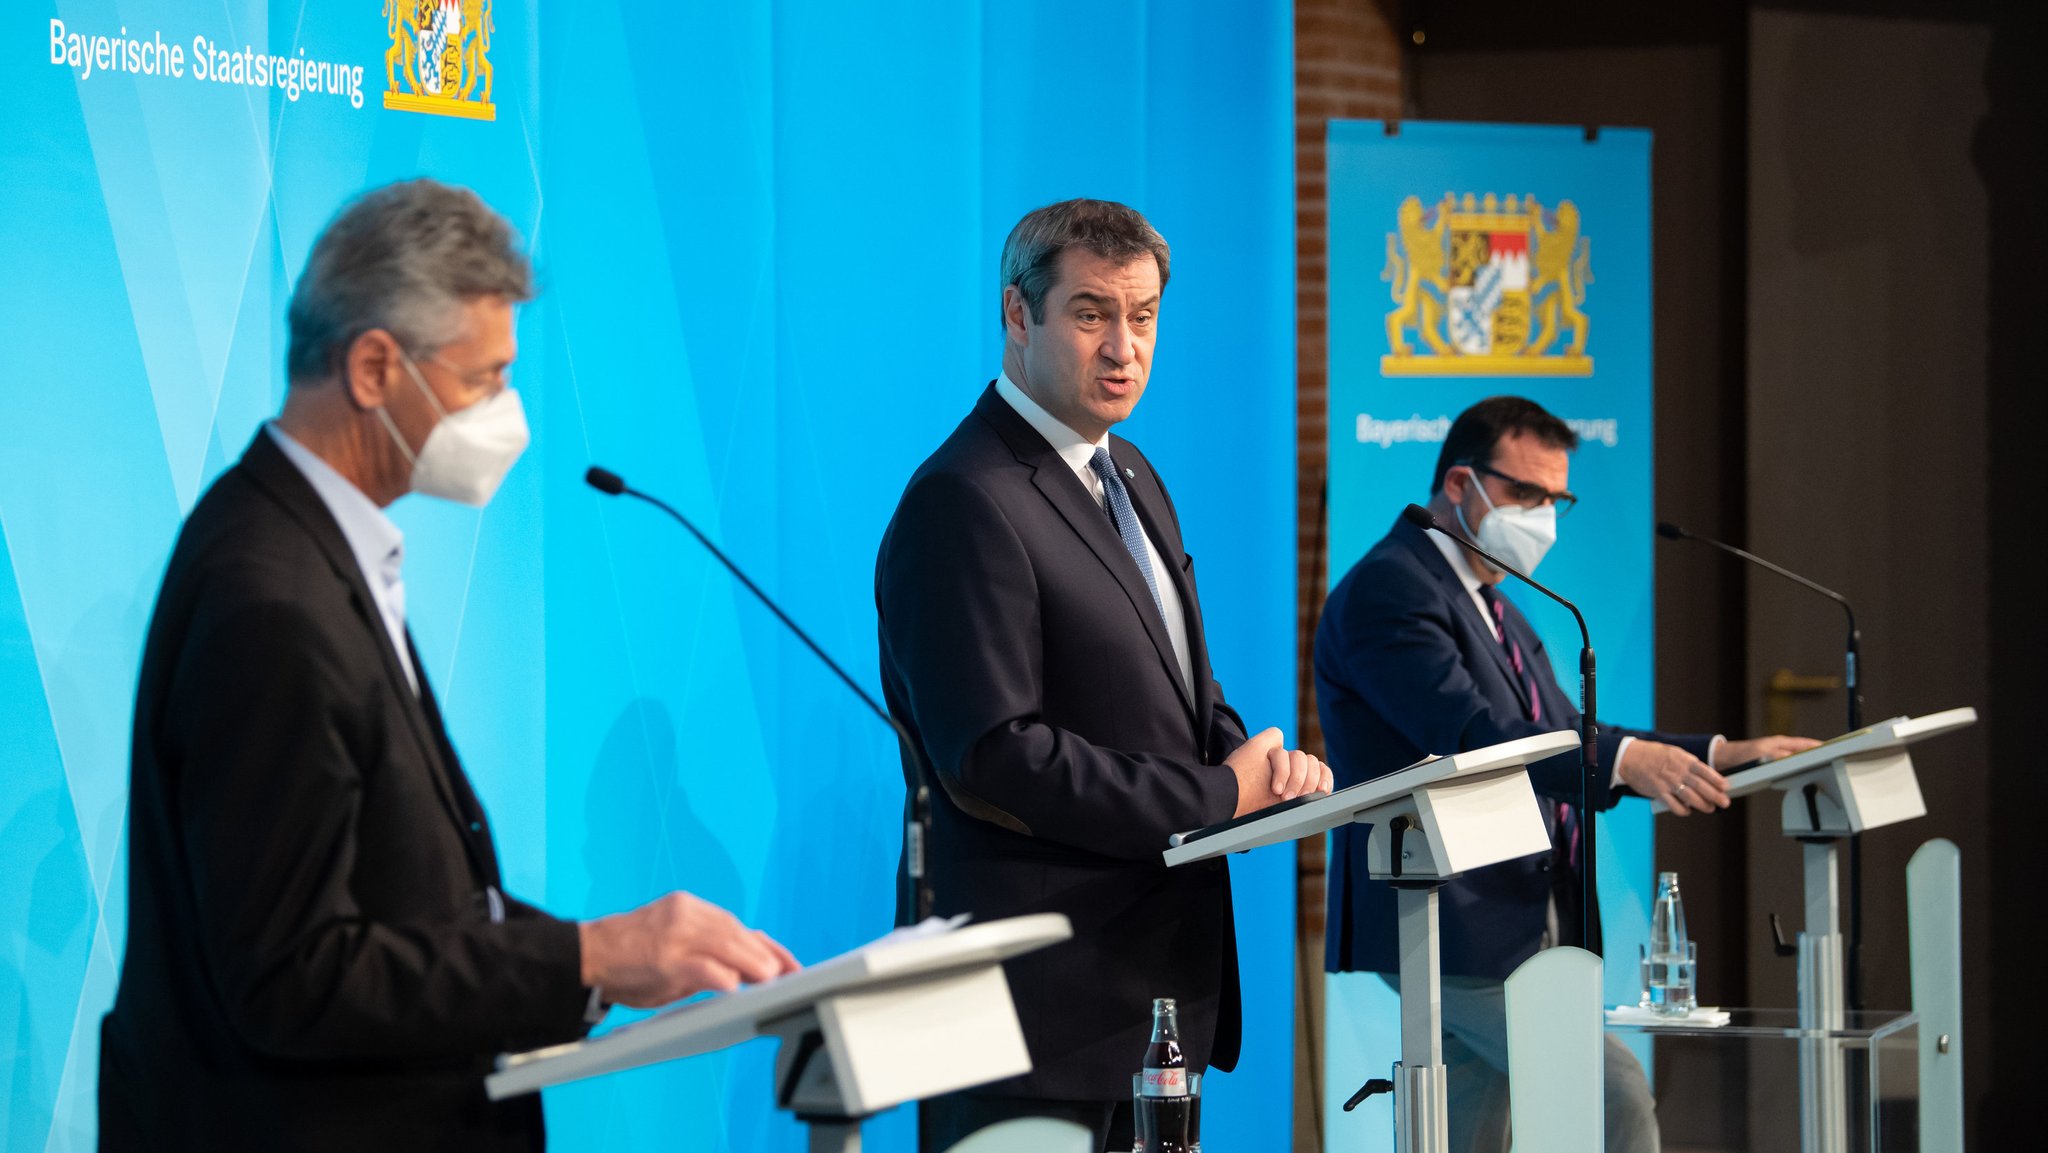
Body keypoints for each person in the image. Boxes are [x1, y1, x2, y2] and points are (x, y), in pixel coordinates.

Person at [99, 179, 798, 1151]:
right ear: (376, 367)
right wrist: (588, 954)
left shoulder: (314, 547)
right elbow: (292, 975)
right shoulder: (272, 594)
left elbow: (406, 893)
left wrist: (592, 963)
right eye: (484, 380)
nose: (505, 415)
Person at [876, 198, 1327, 1152]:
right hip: (1037, 1014)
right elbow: (995, 755)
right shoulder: (965, 498)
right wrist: (1215, 794)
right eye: (1090, 314)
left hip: (1148, 993)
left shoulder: (1136, 475)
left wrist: (1257, 769)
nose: (1124, 346)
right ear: (1017, 315)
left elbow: (1170, 688)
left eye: (1144, 315)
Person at [1313, 395, 1816, 1153]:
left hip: (1511, 913)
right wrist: (1621, 762)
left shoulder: (1494, 604)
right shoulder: (1393, 588)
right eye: (1526, 494)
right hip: (1445, 913)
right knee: (1611, 1093)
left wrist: (1714, 751)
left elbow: (1564, 731)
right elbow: (1481, 737)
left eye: (1557, 499)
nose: (1543, 515)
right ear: (1459, 483)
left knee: (1472, 1125)